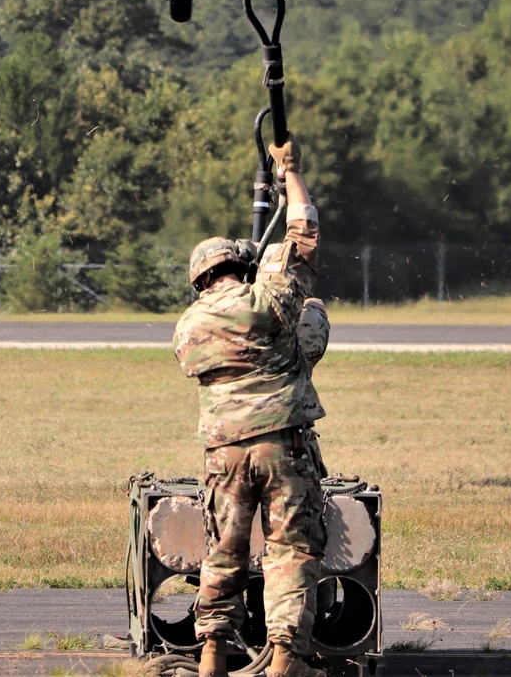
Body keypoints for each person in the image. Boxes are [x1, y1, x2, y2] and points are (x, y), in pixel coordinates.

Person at [173, 139, 327, 677]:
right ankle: (284, 659)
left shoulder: (188, 326)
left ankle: (213, 652)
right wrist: (291, 173)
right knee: (289, 552)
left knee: (224, 550)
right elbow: (303, 233)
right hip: (283, 443)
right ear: (243, 265)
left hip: (224, 450)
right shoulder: (269, 297)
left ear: (199, 280)